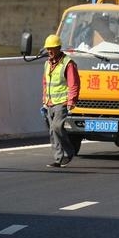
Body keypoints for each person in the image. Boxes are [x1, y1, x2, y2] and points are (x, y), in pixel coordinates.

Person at [42, 34, 80, 167]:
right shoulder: (47, 63)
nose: (49, 51)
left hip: (62, 102)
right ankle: (58, 159)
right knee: (52, 131)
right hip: (50, 102)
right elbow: (46, 82)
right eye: (48, 49)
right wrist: (44, 99)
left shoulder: (67, 64)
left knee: (57, 127)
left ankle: (69, 152)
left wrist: (71, 101)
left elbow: (73, 83)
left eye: (52, 49)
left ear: (58, 48)